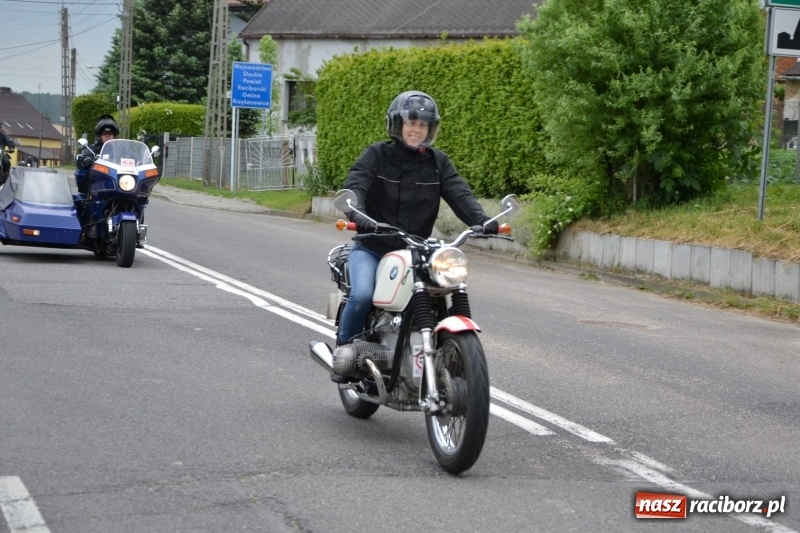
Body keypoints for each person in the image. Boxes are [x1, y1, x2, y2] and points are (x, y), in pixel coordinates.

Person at [331, 90, 499, 383]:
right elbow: (356, 185)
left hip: (416, 250)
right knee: (362, 295)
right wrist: (358, 215)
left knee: (440, 289)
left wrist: (482, 220)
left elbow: (459, 193)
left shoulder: (438, 162)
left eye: (423, 124)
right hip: (373, 247)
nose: (417, 130)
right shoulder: (377, 155)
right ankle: (344, 355)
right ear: (397, 124)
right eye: (411, 122)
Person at [76, 114, 119, 194]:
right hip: (97, 183)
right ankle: (89, 198)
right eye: (104, 133)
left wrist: (139, 162)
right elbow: (84, 157)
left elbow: (132, 157)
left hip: (118, 182)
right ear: (99, 135)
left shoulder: (120, 148)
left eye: (110, 133)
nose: (107, 135)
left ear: (114, 135)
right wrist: (86, 159)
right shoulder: (93, 148)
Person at [0, 120, 16, 186]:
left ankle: (5, 179)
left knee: (6, 162)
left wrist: (11, 147)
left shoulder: (3, 135)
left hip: (0, 154)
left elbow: (9, 141)